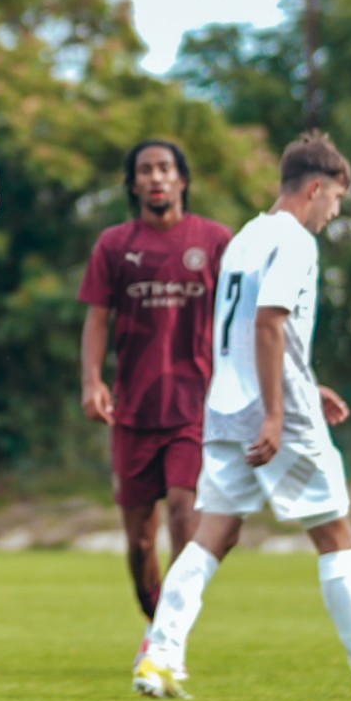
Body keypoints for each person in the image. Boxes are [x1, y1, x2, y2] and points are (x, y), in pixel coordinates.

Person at [136, 132, 351, 701]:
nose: (334, 213)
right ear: (317, 188)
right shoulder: (296, 242)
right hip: (278, 414)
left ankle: (160, 656)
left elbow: (248, 328)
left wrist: (303, 380)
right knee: (335, 531)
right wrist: (278, 411)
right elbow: (269, 323)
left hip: (225, 404)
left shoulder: (247, 237)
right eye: (337, 201)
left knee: (212, 535)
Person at [79, 140, 232, 656]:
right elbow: (97, 318)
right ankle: (157, 623)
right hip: (135, 411)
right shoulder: (115, 245)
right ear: (134, 184)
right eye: (145, 170)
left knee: (186, 515)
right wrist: (92, 382)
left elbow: (245, 318)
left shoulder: (215, 242)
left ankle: (170, 637)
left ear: (182, 179)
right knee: (140, 543)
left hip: (197, 409)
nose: (156, 177)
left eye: (165, 168)